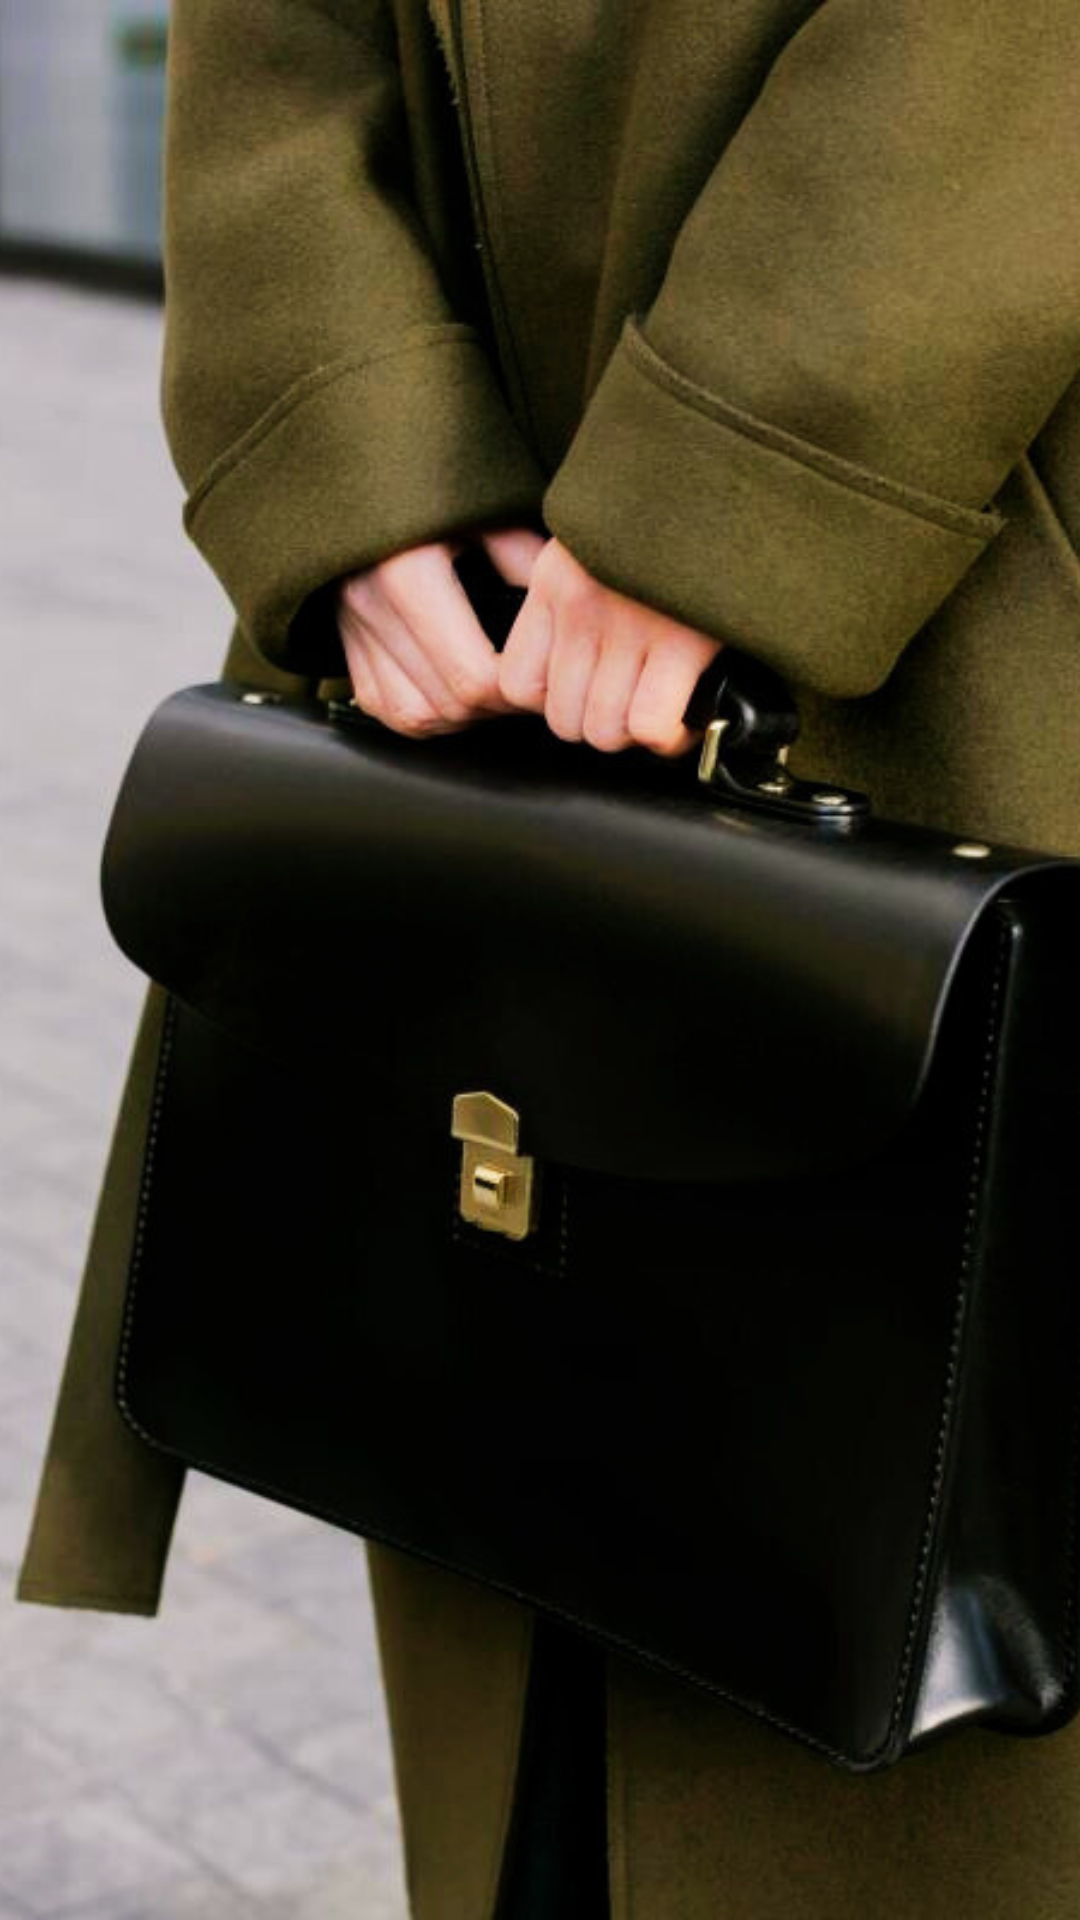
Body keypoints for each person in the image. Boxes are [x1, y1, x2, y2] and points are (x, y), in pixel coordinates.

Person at [17, 0, 1080, 1914]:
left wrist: (756, 460)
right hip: (469, 559)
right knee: (525, 1606)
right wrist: (339, 426)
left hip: (963, 506)